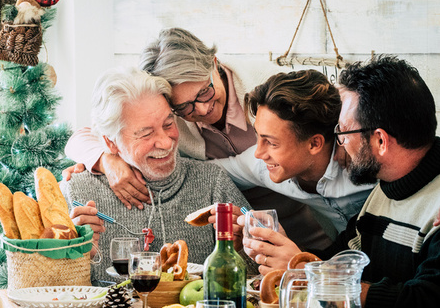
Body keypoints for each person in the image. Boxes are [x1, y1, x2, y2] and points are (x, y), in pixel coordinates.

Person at [64, 27, 332, 250]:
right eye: (185, 107)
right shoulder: (169, 113)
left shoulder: (267, 89)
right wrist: (105, 160)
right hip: (249, 222)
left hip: (311, 214)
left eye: (205, 92)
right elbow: (91, 133)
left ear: (214, 64)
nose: (203, 110)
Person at [244, 55, 440, 308]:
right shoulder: (385, 189)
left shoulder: (434, 209)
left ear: (380, 140)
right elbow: (342, 258)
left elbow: (425, 305)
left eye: (343, 131)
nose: (339, 144)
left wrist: (308, 274)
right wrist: (290, 255)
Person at [61, 66, 254, 285]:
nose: (165, 142)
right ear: (110, 142)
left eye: (168, 124)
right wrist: (72, 255)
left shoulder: (213, 182)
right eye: (146, 133)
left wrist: (240, 249)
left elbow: (257, 280)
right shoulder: (76, 191)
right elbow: (49, 290)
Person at [211, 69, 375, 251]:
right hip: (340, 262)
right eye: (258, 136)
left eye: (271, 143)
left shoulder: (367, 158)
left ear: (315, 143)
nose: (258, 153)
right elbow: (208, 173)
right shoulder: (263, 165)